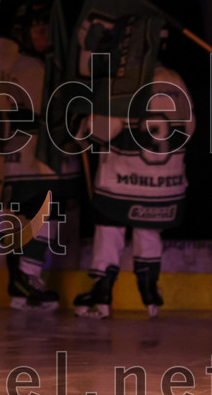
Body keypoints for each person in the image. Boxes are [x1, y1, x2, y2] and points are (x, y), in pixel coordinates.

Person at [73, 57, 194, 319]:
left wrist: (82, 125)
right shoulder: (175, 78)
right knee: (149, 232)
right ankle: (150, 292)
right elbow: (190, 126)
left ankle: (102, 293)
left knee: (109, 230)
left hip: (122, 180)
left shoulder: (126, 81)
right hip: (164, 183)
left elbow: (103, 129)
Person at [0, 0, 81, 311]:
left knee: (32, 220)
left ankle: (21, 283)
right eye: (37, 26)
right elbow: (51, 115)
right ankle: (27, 277)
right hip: (35, 163)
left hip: (25, 164)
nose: (44, 31)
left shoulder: (28, 65)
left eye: (49, 25)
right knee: (46, 217)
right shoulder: (32, 68)